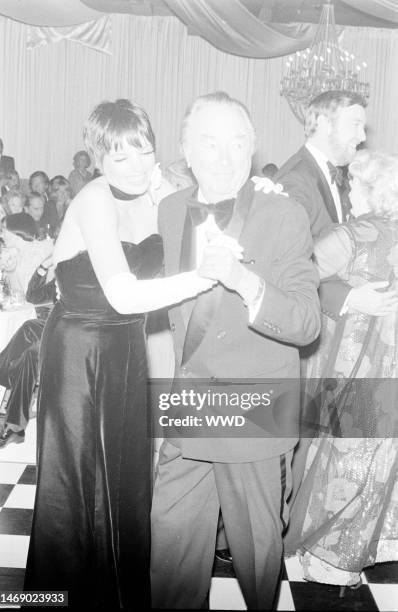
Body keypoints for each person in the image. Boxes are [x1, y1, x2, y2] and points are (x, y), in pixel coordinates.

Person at [23, 98, 215, 608]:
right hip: (78, 350)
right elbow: (124, 295)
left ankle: (123, 596)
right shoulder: (92, 198)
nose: (136, 166)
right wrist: (203, 277)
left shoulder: (158, 194)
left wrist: (250, 190)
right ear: (97, 159)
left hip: (127, 348)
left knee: (128, 474)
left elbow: (213, 219)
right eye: (120, 157)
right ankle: (56, 598)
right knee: (75, 481)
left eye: (145, 152)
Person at [150, 91, 321, 610]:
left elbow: (307, 322)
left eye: (237, 143)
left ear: (252, 147)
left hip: (254, 412)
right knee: (170, 548)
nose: (224, 157)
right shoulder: (169, 208)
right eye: (209, 142)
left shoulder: (283, 214)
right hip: (191, 407)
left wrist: (246, 283)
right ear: (185, 149)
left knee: (257, 557)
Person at [276, 91, 398, 538]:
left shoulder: (335, 177)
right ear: (322, 123)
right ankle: (273, 532)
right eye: (355, 125)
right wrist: (348, 298)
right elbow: (291, 267)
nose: (363, 136)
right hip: (309, 329)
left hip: (334, 335)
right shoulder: (295, 181)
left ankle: (303, 525)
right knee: (295, 435)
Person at [0, 256, 56, 448]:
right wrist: (44, 266)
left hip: (78, 334)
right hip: (58, 327)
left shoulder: (94, 274)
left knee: (29, 342)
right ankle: (13, 425)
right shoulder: (68, 271)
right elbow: (33, 296)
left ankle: (11, 422)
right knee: (28, 338)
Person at [0, 213, 53, 295]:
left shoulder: (35, 252)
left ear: (15, 231)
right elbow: (3, 287)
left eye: (3, 230)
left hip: (42, 305)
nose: (1, 235)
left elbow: (24, 294)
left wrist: (10, 270)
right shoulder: (15, 252)